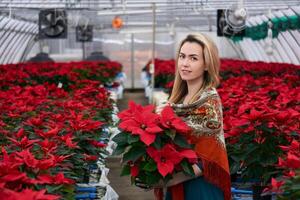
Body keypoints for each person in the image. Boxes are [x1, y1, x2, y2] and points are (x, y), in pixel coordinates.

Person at [154, 33, 231, 200]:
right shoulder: (178, 101)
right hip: (177, 186)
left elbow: (206, 161)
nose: (185, 64)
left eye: (193, 58)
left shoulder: (209, 102)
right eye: (182, 57)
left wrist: (165, 180)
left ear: (206, 64)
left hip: (200, 189)